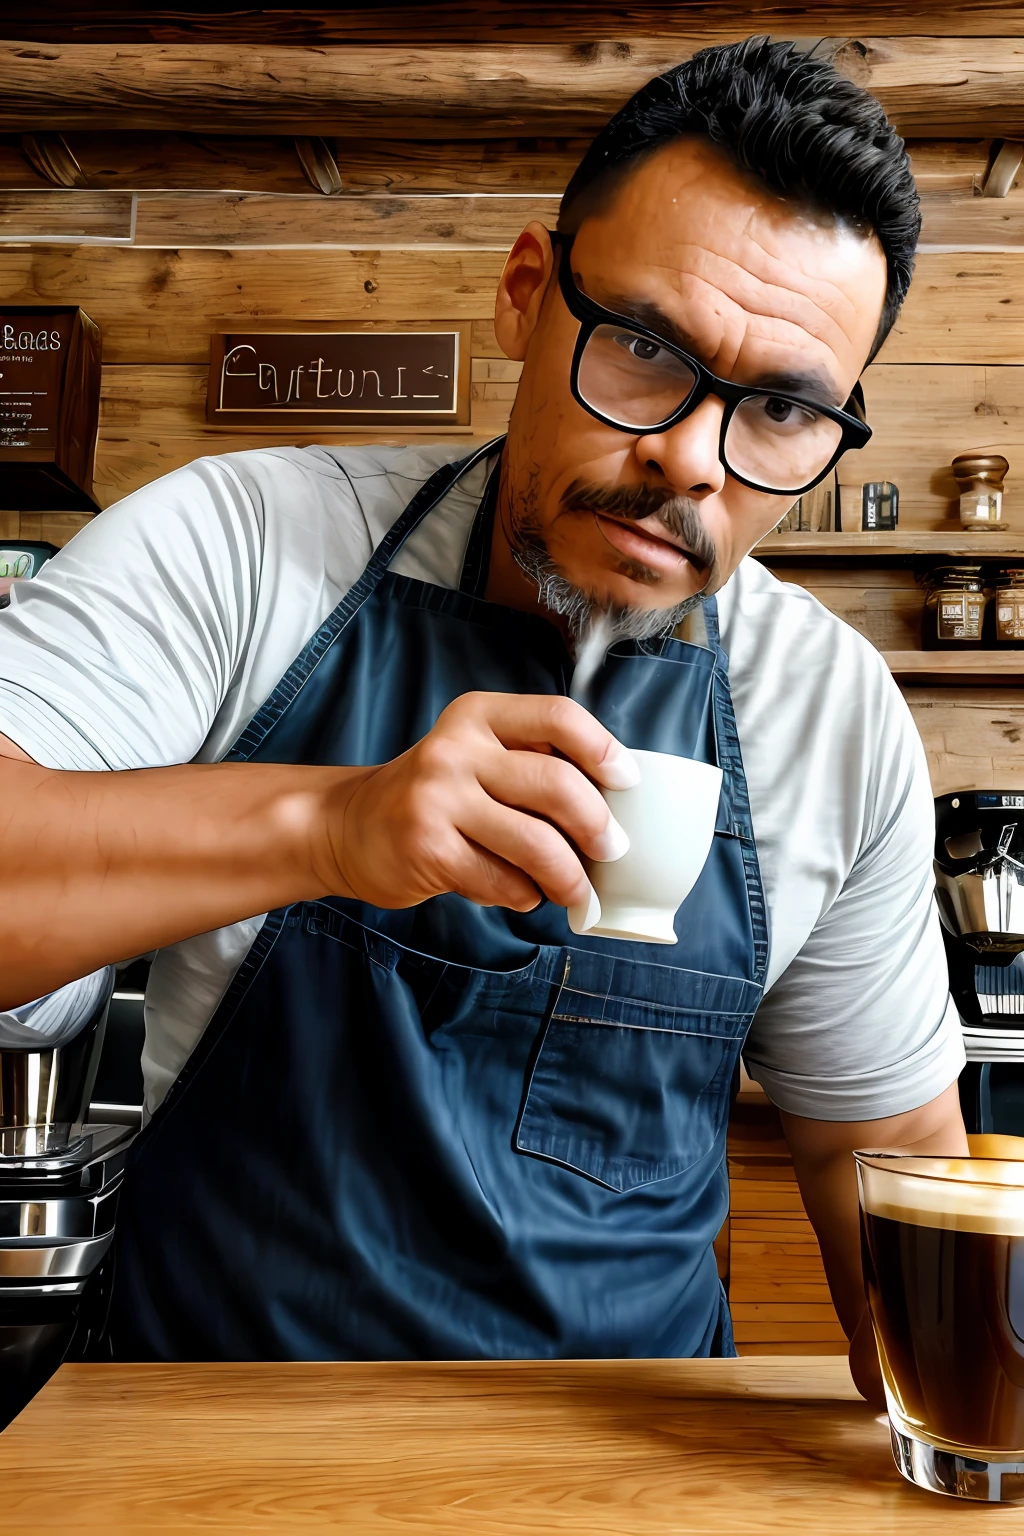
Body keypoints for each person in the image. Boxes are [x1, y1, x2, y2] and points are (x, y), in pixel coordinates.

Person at [0, 37, 966, 1388]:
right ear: (527, 296)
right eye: (642, 348)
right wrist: (332, 825)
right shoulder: (238, 547)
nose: (693, 456)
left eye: (786, 410)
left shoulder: (830, 713)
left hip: (629, 1484)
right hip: (210, 1451)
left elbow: (894, 1167)